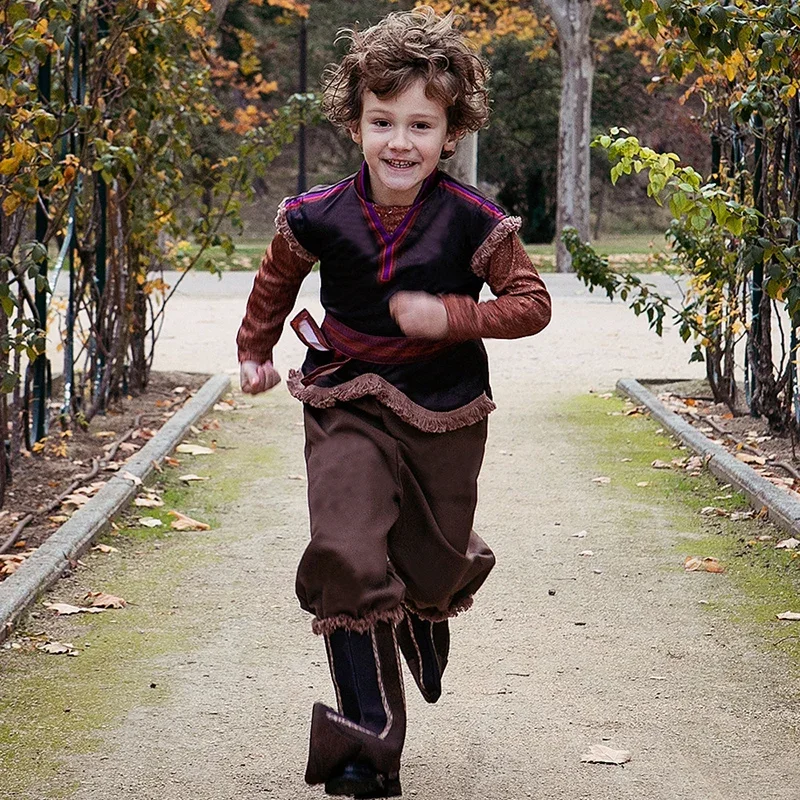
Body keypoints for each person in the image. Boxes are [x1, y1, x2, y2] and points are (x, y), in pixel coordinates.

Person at [236, 7, 552, 797]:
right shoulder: (317, 214)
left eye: (421, 124)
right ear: (356, 124)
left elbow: (532, 303)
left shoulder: (476, 221)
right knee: (346, 550)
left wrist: (452, 315)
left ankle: (427, 610)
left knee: (431, 565)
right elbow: (277, 278)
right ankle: (364, 747)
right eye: (383, 121)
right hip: (343, 394)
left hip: (444, 410)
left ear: (451, 133)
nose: (400, 141)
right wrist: (253, 348)